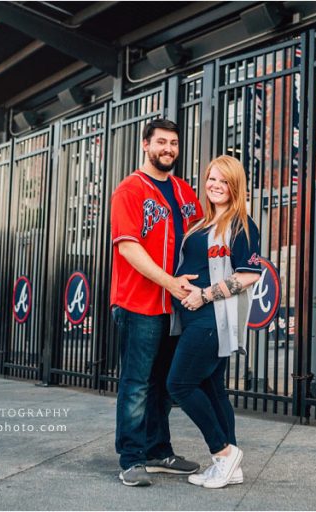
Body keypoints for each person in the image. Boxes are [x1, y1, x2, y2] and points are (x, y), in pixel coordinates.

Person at [110, 118, 203, 486]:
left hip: (175, 308)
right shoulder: (130, 190)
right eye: (161, 142)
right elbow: (129, 247)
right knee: (136, 384)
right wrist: (171, 283)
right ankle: (131, 458)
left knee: (164, 384)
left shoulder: (184, 191)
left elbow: (200, 238)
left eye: (174, 143)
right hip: (139, 304)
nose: (168, 149)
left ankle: (158, 451)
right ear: (145, 144)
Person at [166, 155, 263, 489]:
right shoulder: (200, 224)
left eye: (224, 181)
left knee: (179, 385)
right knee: (212, 389)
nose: (216, 186)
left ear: (235, 186)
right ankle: (230, 467)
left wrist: (204, 295)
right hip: (192, 316)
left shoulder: (241, 225)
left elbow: (249, 275)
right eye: (212, 179)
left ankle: (222, 453)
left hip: (212, 318)